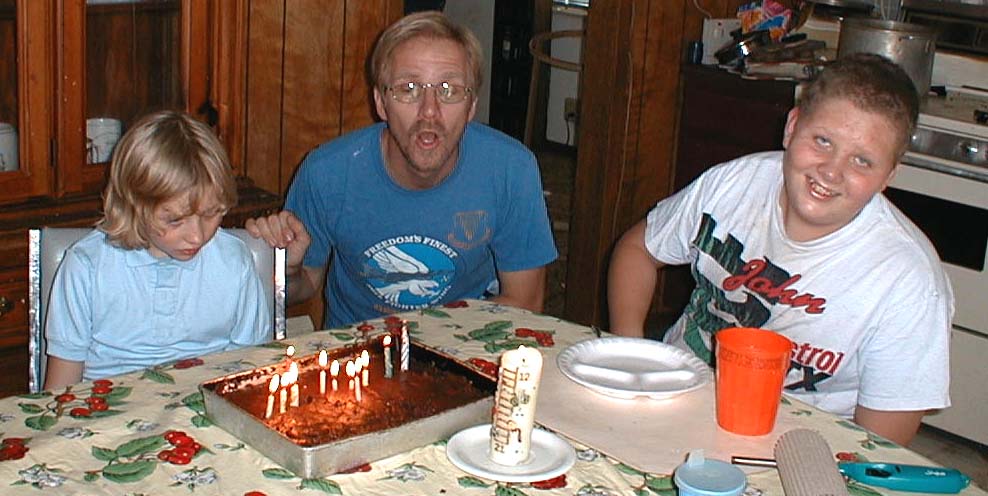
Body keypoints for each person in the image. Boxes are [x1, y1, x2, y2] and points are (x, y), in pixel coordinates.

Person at [607, 53, 952, 446]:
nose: (831, 171)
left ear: (889, 176)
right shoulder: (732, 183)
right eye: (822, 141)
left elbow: (878, 448)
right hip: (671, 396)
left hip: (798, 446)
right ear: (791, 127)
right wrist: (631, 352)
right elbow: (638, 249)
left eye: (862, 161)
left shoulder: (910, 281)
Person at [247, 11, 557, 328]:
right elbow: (302, 288)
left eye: (449, 90)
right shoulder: (327, 173)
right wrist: (288, 271)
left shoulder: (510, 169)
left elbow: (525, 304)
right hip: (359, 355)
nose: (430, 111)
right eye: (408, 88)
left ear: (471, 106)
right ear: (381, 103)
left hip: (463, 346)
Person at [44, 110, 272, 390]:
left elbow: (250, 368)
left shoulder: (234, 262)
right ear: (133, 205)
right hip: (107, 412)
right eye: (175, 220)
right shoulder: (87, 266)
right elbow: (60, 387)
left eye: (212, 213)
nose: (197, 235)